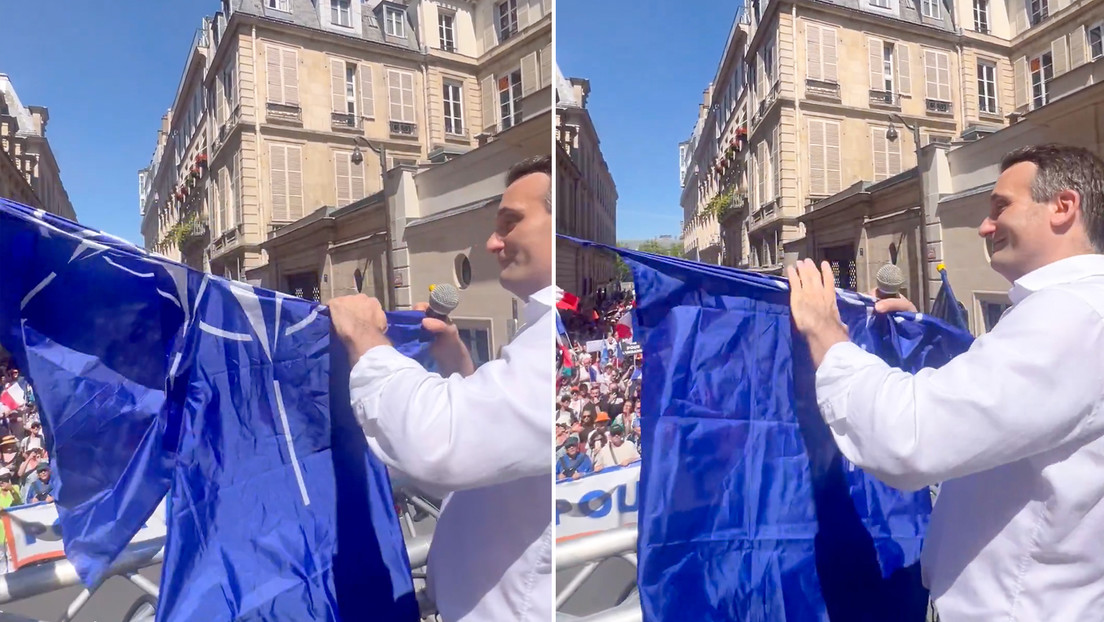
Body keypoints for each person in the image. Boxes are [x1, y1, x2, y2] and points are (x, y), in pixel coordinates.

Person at [787, 144, 1104, 620]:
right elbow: (1014, 403)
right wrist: (922, 332)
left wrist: (826, 335)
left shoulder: (1070, 316)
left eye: (1001, 207)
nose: (984, 226)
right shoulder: (1072, 312)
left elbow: (908, 435)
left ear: (1063, 207)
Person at [328, 155, 553, 621]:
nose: (492, 242)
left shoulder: (560, 340)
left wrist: (367, 341)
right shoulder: (546, 332)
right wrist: (461, 370)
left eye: (510, 224)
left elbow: (435, 442)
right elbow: (505, 434)